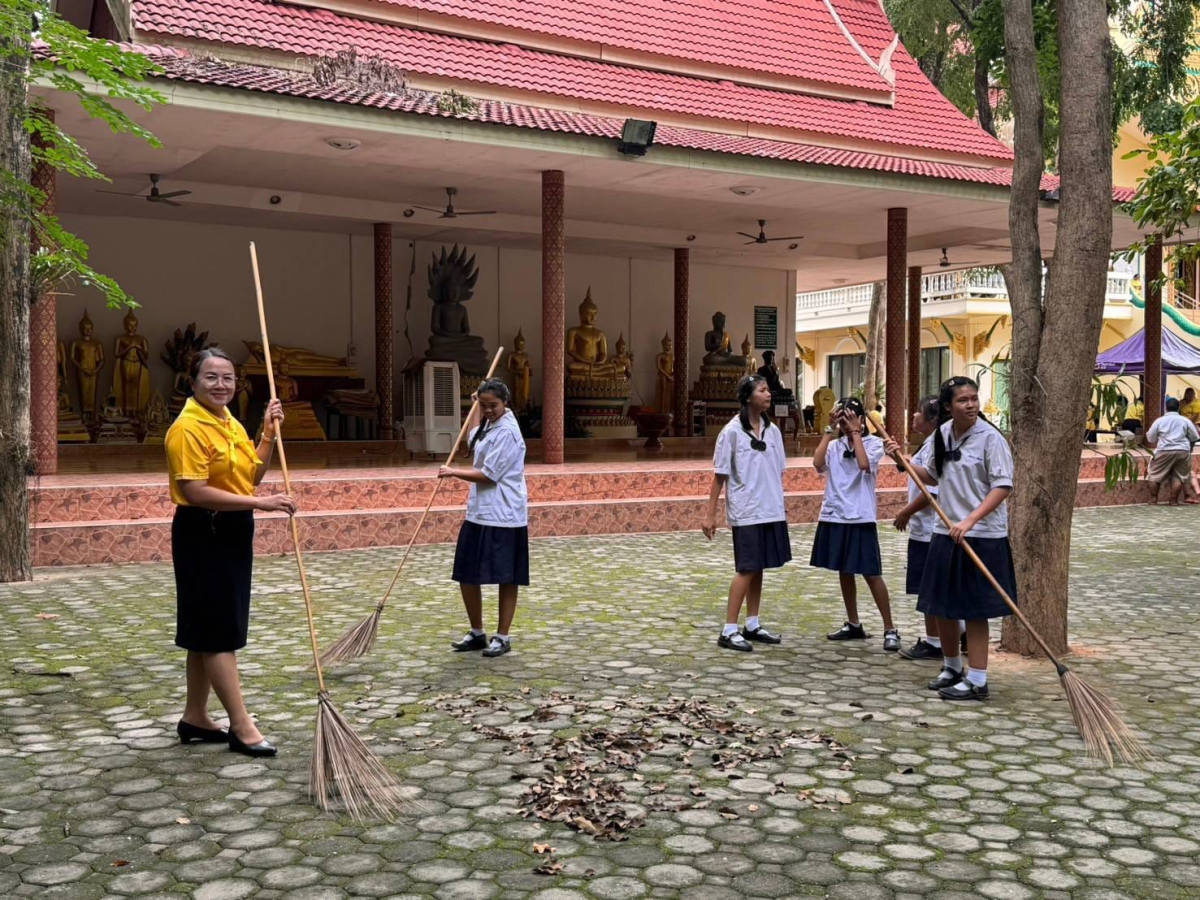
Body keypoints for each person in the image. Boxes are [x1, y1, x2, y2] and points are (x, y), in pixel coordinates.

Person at [166, 348, 296, 757]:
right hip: (205, 530)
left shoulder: (227, 421)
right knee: (219, 631)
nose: (221, 385)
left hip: (232, 528)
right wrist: (263, 504)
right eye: (211, 377)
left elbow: (252, 473)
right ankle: (242, 726)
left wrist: (268, 432)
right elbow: (194, 490)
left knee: (202, 631)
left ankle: (195, 717)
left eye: (228, 378)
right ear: (192, 381)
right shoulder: (188, 428)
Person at [885, 375, 1016, 701]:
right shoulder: (942, 435)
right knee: (941, 605)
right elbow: (930, 475)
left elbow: (1002, 486)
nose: (971, 405)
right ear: (948, 407)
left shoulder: (990, 439)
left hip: (981, 535)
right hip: (944, 532)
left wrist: (971, 520)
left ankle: (978, 680)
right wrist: (900, 459)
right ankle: (951, 667)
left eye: (974, 398)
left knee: (974, 610)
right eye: (962, 400)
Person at [440, 378, 529, 658]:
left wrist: (453, 472)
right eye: (485, 405)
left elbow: (489, 476)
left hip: (504, 514)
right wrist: (474, 404)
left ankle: (502, 636)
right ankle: (477, 632)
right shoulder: (489, 424)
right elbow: (470, 439)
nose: (489, 410)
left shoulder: (508, 433)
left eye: (494, 405)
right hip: (479, 512)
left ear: (505, 404)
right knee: (467, 572)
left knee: (507, 576)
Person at [703, 375, 790, 652]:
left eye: (768, 390)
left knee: (759, 566)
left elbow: (778, 470)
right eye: (762, 390)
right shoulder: (731, 432)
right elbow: (720, 476)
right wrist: (710, 514)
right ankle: (729, 628)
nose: (768, 395)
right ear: (748, 396)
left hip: (770, 508)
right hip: (746, 510)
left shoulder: (772, 430)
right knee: (746, 567)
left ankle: (752, 622)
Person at [810, 397, 899, 651]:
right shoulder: (834, 445)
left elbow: (863, 465)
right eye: (842, 419)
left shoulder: (873, 444)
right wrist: (829, 430)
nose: (846, 424)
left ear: (861, 419)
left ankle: (890, 628)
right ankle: (853, 622)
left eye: (850, 417)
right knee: (844, 570)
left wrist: (857, 433)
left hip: (860, 515)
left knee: (871, 573)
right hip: (835, 513)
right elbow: (817, 464)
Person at [893, 395, 953, 661]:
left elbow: (933, 490)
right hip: (925, 528)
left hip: (930, 528)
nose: (913, 416)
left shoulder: (937, 444)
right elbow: (919, 472)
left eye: (918, 412)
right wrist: (901, 458)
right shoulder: (929, 443)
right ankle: (952, 634)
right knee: (929, 587)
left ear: (932, 418)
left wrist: (906, 512)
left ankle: (935, 642)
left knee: (930, 588)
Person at [1145, 396, 1200, 506]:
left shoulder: (1159, 421)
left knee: (1154, 475)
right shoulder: (1185, 420)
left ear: (1166, 408)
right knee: (1178, 477)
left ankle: (1153, 499)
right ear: (1178, 408)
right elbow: (1194, 436)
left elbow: (1150, 438)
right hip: (1183, 451)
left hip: (1164, 449)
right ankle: (1173, 500)